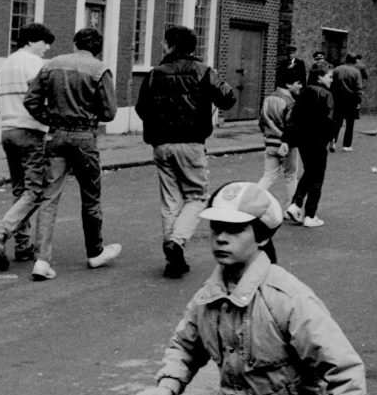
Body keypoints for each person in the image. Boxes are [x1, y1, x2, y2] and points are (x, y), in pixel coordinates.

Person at [132, 181, 366, 395]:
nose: (221, 239)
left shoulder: (288, 299)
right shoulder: (210, 295)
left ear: (262, 237)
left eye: (235, 230)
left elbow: (345, 370)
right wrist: (165, 388)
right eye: (216, 228)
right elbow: (186, 347)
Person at [135, 25, 237, 279]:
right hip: (191, 143)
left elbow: (141, 108)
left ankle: (173, 259)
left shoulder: (153, 73)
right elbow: (227, 98)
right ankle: (177, 242)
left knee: (171, 200)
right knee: (197, 197)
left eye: (164, 43)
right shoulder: (203, 71)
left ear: (170, 46)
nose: (161, 46)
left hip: (161, 144)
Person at [22, 28, 122, 281]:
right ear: (97, 48)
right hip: (84, 138)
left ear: (75, 43)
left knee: (48, 198)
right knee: (90, 198)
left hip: (55, 137)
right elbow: (110, 112)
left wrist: (50, 118)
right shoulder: (99, 69)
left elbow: (31, 101)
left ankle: (42, 260)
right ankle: (95, 252)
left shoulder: (51, 65)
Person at [0, 23, 55, 271]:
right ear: (33, 41)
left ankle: (22, 247)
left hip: (7, 131)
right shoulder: (33, 63)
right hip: (30, 131)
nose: (47, 47)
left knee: (20, 189)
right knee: (37, 190)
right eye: (45, 42)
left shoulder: (5, 65)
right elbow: (43, 96)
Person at [285, 62, 336, 228]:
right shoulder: (326, 94)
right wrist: (330, 137)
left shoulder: (304, 92)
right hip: (319, 140)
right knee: (318, 176)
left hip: (303, 140)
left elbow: (293, 116)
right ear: (320, 76)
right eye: (330, 76)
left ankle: (296, 204)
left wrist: (288, 139)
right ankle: (310, 215)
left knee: (309, 171)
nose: (332, 80)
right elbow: (330, 119)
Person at [258, 67, 303, 210]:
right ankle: (290, 207)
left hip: (270, 142)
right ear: (288, 84)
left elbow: (261, 122)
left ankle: (251, 198)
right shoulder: (290, 102)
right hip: (286, 143)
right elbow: (292, 126)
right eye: (298, 83)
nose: (300, 86)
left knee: (268, 176)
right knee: (291, 176)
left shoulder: (268, 98)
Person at [330, 53, 363, 152]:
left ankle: (333, 140)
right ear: (354, 61)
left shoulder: (337, 69)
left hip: (338, 98)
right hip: (351, 100)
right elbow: (359, 88)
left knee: (337, 121)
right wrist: (359, 100)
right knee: (350, 123)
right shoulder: (356, 72)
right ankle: (346, 145)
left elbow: (331, 83)